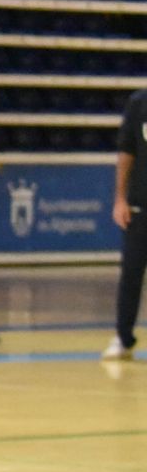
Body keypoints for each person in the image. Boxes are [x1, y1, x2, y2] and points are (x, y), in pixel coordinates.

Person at [103, 85, 147, 359]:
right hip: (141, 206)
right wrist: (120, 198)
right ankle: (123, 337)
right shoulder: (139, 103)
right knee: (131, 273)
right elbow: (126, 151)